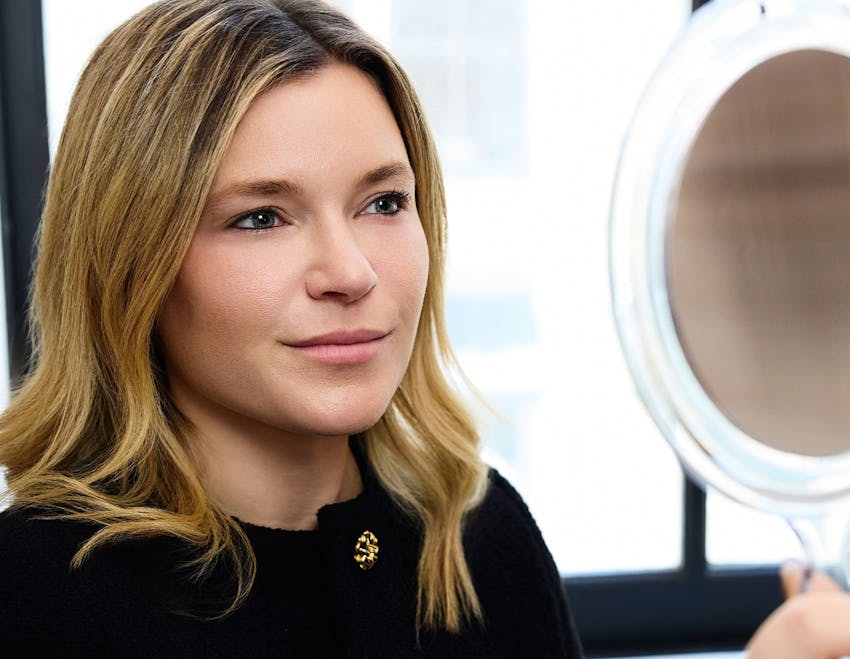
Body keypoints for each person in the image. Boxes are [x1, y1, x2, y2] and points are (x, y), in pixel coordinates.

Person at [0, 0, 582, 656]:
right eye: (261, 217)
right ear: (131, 262)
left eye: (384, 202)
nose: (351, 272)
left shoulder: (483, 534)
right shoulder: (32, 596)